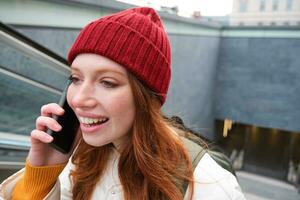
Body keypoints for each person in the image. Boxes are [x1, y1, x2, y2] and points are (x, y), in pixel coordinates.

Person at [0, 7, 245, 200]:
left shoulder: (207, 184)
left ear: (146, 97)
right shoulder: (80, 160)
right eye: (75, 78)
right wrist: (42, 174)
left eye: (107, 82)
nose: (78, 99)